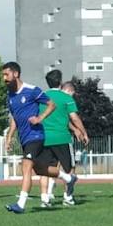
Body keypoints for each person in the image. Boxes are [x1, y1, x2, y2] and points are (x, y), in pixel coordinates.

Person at [2, 62, 54, 214]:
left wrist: (40, 118)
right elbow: (15, 119)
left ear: (16, 74)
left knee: (26, 167)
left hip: (35, 135)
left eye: (6, 74)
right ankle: (67, 177)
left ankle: (21, 204)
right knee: (39, 169)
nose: (4, 78)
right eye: (3, 75)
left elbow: (51, 105)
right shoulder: (10, 97)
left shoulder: (32, 90)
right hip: (24, 138)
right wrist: (9, 137)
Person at [36, 70, 89, 207]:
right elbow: (74, 118)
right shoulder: (66, 98)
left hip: (45, 138)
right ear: (60, 82)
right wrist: (84, 133)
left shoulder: (42, 97)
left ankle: (44, 199)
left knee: (45, 169)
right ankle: (68, 197)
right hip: (62, 138)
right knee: (69, 169)